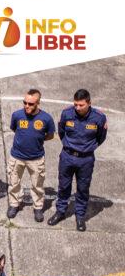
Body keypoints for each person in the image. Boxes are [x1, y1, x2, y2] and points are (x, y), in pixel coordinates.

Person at [47, 89, 108, 232]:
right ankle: (60, 212)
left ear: (89, 103)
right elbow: (61, 133)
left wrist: (87, 148)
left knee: (83, 188)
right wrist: (70, 147)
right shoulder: (66, 113)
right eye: (75, 105)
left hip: (86, 159)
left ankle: (80, 216)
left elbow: (101, 137)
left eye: (81, 105)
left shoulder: (99, 117)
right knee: (63, 186)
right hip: (67, 156)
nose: (77, 108)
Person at [7, 89, 55, 222]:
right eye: (25, 103)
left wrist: (37, 140)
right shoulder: (17, 115)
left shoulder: (46, 118)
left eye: (31, 104)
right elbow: (14, 128)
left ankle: (38, 207)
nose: (27, 106)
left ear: (38, 103)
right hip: (16, 157)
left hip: (36, 158)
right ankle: (14, 204)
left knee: (37, 185)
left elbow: (50, 135)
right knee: (14, 182)